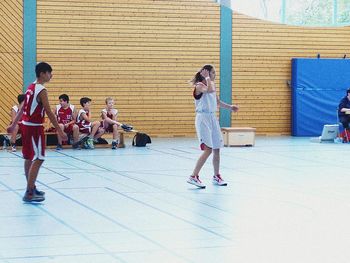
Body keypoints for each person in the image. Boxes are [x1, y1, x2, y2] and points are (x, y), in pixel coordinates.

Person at [7, 62, 67, 202]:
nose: (51, 75)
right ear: (42, 73)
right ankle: (29, 192)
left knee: (28, 158)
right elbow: (49, 112)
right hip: (34, 127)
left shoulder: (30, 87)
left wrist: (14, 124)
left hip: (25, 125)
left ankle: (31, 187)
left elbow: (22, 109)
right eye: (49, 72)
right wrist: (59, 130)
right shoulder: (41, 90)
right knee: (39, 158)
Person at [187, 65, 239, 189]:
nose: (215, 75)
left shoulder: (212, 85)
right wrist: (207, 78)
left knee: (217, 148)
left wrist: (230, 107)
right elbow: (208, 90)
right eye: (213, 73)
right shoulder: (199, 86)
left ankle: (216, 176)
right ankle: (193, 176)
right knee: (208, 149)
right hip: (202, 118)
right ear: (207, 74)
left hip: (212, 118)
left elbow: (217, 102)